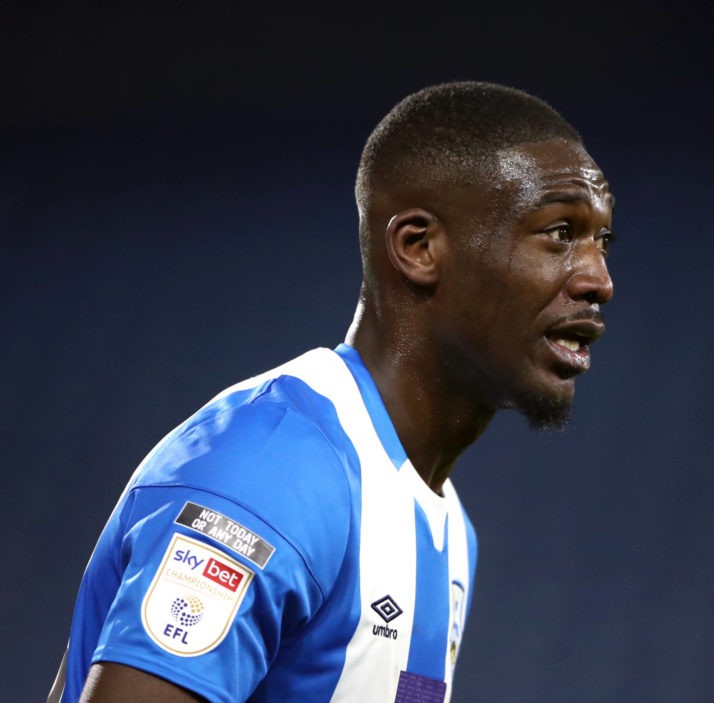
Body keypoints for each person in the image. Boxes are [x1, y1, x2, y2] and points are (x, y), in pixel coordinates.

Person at [48, 81, 615, 703]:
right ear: (419, 248)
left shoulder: (446, 523)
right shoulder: (272, 475)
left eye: (601, 241)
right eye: (560, 232)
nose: (598, 279)